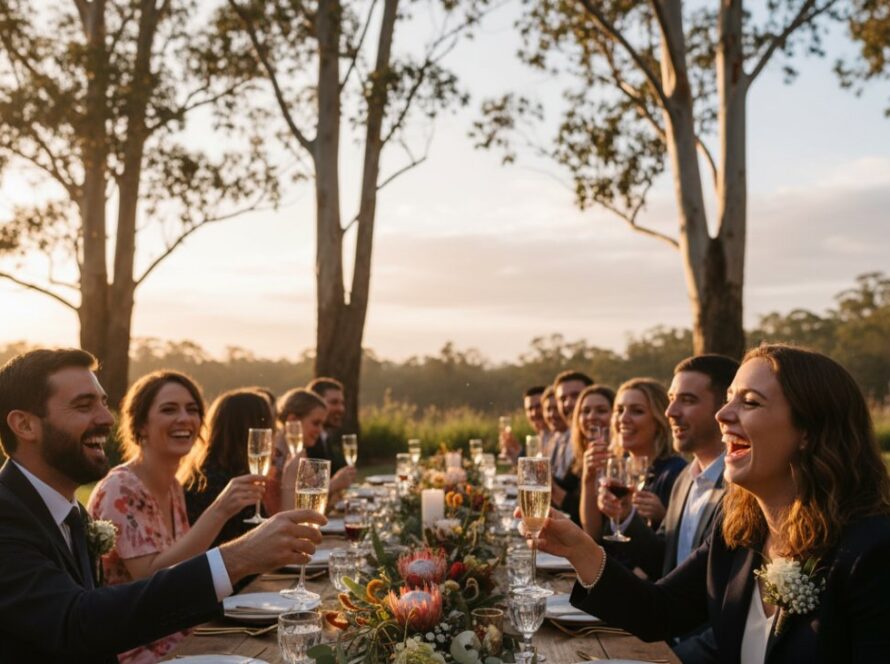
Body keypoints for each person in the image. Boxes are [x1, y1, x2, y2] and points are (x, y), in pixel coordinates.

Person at [528, 345, 890, 662]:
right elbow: (660, 611)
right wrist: (580, 549)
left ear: (809, 431)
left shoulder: (871, 553)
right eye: (729, 398)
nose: (723, 415)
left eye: (749, 402)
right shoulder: (739, 533)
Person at [0, 348, 324, 663]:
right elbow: (77, 622)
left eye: (103, 403)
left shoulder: (70, 513)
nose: (106, 418)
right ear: (25, 425)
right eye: (84, 406)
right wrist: (235, 558)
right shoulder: (7, 514)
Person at [88, 372, 268, 663]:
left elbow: (181, 565)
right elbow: (151, 578)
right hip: (136, 646)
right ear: (140, 425)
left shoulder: (173, 485)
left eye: (192, 409)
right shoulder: (120, 488)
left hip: (181, 634)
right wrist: (220, 511)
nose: (184, 418)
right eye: (169, 409)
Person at [614, 355, 738, 581]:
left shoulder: (741, 488)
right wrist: (626, 517)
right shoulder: (684, 479)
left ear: (725, 409)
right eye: (672, 398)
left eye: (688, 400)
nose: (670, 411)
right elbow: (663, 563)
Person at [184, 389, 277, 549]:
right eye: (271, 425)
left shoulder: (201, 474)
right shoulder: (230, 486)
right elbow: (268, 546)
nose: (275, 432)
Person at [598, 378, 686, 535]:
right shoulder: (620, 468)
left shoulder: (675, 472)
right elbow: (595, 535)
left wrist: (664, 517)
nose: (623, 419)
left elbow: (677, 548)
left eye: (637, 411)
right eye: (619, 410)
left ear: (659, 421)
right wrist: (588, 478)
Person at [275, 387, 354, 510]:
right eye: (316, 423)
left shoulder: (300, 454)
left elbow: (314, 508)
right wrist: (333, 484)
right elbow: (284, 512)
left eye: (322, 424)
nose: (320, 430)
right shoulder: (275, 457)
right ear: (293, 420)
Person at [572, 385, 616, 538]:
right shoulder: (582, 458)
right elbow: (591, 532)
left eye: (601, 410)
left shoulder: (623, 461)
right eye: (585, 411)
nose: (591, 417)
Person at [550, 371, 594, 516]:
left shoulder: (601, 443)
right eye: (562, 398)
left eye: (576, 395)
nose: (568, 403)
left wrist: (553, 490)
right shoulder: (579, 441)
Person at [306, 377, 347, 472]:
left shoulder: (325, 437)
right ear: (316, 403)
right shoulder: (307, 442)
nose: (341, 409)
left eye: (342, 403)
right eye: (334, 402)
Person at [500, 385, 549, 463]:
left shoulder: (558, 438)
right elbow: (533, 468)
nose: (534, 413)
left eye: (538, 406)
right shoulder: (540, 438)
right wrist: (517, 451)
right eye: (529, 409)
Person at [540, 385, 566, 457]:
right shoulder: (550, 440)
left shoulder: (576, 442)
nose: (552, 414)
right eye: (548, 409)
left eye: (556, 408)